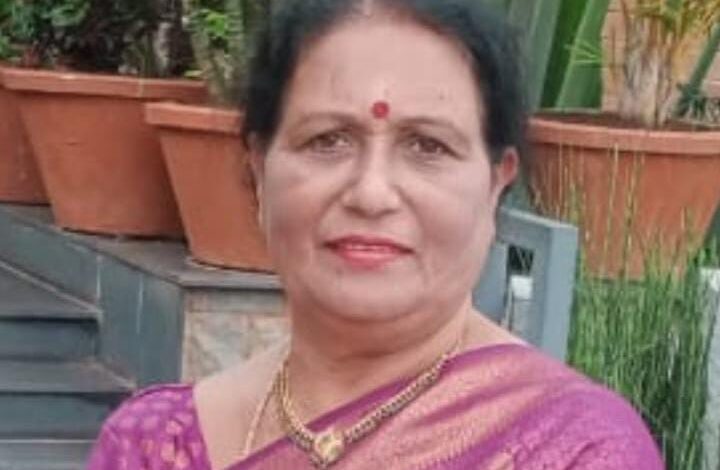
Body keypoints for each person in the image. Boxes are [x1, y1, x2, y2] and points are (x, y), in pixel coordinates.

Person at [87, 0, 664, 468]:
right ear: (260, 170)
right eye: (328, 140)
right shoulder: (156, 446)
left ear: (496, 184)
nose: (371, 193)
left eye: (427, 146)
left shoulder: (574, 447)